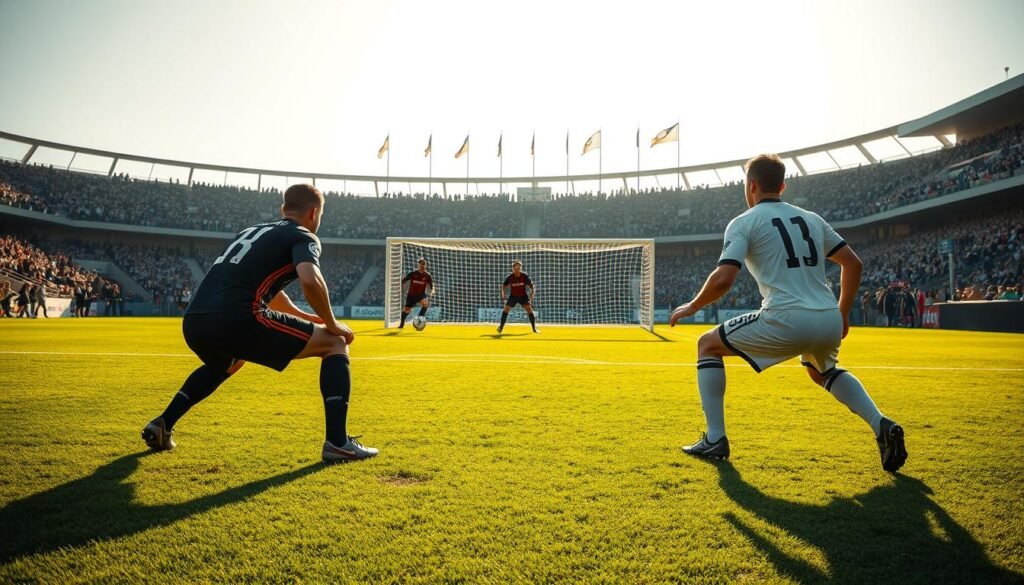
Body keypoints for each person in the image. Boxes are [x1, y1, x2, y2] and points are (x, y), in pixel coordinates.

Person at [669, 154, 907, 472]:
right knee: (821, 370)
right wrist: (843, 313)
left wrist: (692, 306)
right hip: (827, 317)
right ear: (782, 185)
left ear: (750, 185)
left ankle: (715, 438)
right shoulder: (812, 218)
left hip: (786, 317)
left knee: (707, 344)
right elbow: (853, 263)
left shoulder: (743, 222)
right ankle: (881, 425)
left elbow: (724, 277)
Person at [142, 184, 378, 463]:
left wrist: (308, 318)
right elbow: (310, 280)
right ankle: (338, 443)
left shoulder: (251, 232)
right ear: (314, 213)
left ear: (283, 209)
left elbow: (272, 294)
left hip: (194, 321)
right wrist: (332, 324)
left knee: (229, 361)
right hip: (237, 318)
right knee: (335, 342)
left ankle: (163, 424)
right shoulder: (303, 235)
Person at [497, 260, 538, 334]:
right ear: (513, 269)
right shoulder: (510, 277)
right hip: (513, 296)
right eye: (515, 268)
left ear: (520, 268)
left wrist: (532, 296)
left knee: (529, 310)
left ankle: (534, 329)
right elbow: (503, 285)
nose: (517, 270)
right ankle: (501, 328)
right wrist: (503, 295)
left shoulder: (524, 276)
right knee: (505, 310)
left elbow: (532, 286)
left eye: (519, 268)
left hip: (523, 296)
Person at [398, 258, 433, 329]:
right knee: (406, 310)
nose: (422, 265)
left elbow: (431, 285)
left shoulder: (427, 276)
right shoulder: (413, 273)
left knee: (425, 304)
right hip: (411, 295)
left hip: (421, 295)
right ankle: (401, 325)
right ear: (418, 265)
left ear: (425, 265)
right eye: (420, 264)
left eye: (423, 264)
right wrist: (401, 283)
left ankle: (420, 319)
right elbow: (404, 280)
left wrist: (431, 291)